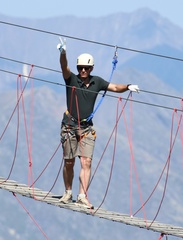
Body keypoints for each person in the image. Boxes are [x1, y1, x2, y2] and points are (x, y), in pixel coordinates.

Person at [57, 37, 139, 209]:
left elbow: (115, 88)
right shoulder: (71, 79)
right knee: (69, 162)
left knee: (86, 162)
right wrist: (63, 52)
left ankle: (82, 196)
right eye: (81, 68)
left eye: (86, 68)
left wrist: (128, 86)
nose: (83, 70)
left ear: (91, 68)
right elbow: (64, 67)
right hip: (70, 126)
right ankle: (68, 192)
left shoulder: (98, 82)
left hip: (86, 128)